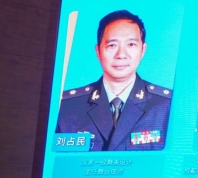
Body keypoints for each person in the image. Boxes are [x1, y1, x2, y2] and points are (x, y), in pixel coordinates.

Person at [56, 10, 172, 151]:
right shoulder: (65, 107)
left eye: (131, 44)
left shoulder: (168, 106)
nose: (121, 55)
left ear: (143, 50)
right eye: (112, 45)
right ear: (98, 51)